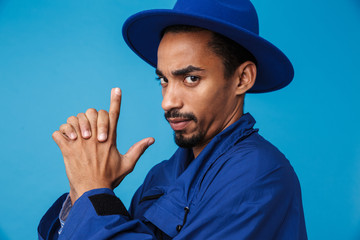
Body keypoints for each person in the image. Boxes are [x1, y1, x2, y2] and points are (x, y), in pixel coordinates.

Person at [38, 0, 307, 239]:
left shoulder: (261, 174)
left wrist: (92, 190)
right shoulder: (160, 175)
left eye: (191, 79)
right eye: (164, 80)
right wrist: (82, 186)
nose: (168, 102)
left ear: (242, 78)